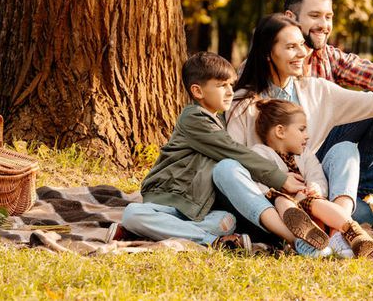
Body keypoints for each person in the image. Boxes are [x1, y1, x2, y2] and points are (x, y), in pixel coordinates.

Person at [212, 14, 373, 248]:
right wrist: (279, 182)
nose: (302, 52)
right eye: (291, 47)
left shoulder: (317, 90)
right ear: (267, 53)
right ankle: (304, 233)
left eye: (301, 44)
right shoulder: (242, 104)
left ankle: (336, 232)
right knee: (227, 169)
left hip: (312, 190)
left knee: (346, 152)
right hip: (269, 199)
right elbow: (239, 160)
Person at [118, 52, 323, 256]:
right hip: (171, 203)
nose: (229, 92)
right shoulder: (193, 118)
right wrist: (280, 179)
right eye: (221, 85)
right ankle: (214, 241)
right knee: (132, 214)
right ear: (197, 91)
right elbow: (233, 149)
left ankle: (160, 233)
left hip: (200, 212)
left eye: (231, 85)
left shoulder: (220, 122)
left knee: (227, 221)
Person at [283, 0, 373, 224]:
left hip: (324, 149)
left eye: (328, 16)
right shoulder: (267, 62)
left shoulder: (327, 55)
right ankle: (336, 212)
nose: (324, 25)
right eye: (315, 15)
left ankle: (361, 194)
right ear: (291, 17)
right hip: (288, 163)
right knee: (361, 218)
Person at [252, 98, 373, 258]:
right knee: (284, 203)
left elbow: (317, 175)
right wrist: (286, 188)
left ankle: (352, 232)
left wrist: (315, 187)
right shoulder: (260, 153)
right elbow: (259, 183)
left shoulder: (305, 155)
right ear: (280, 131)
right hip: (283, 208)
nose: (307, 136)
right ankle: (319, 242)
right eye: (302, 130)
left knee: (317, 203)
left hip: (307, 201)